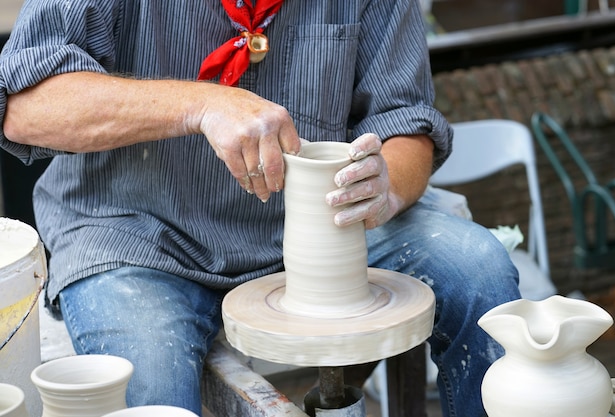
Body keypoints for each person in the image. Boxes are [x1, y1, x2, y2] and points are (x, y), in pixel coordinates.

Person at [0, 1, 521, 416]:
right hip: (136, 232)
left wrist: (387, 187)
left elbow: (405, 119)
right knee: (150, 395)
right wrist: (202, 103)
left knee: (478, 269)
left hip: (324, 218)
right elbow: (25, 105)